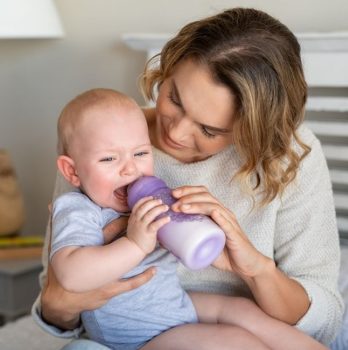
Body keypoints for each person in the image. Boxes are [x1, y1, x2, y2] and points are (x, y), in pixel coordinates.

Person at [32, 7, 344, 349]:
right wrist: (60, 302)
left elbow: (324, 319)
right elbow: (59, 297)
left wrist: (256, 270)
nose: (176, 133)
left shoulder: (287, 157)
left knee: (241, 325)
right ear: (165, 71)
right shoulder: (102, 140)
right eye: (174, 98)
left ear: (253, 132)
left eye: (209, 129)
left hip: (210, 313)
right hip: (138, 329)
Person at [48, 87, 327, 350]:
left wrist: (189, 226)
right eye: (109, 159)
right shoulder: (78, 208)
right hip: (139, 335)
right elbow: (70, 276)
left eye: (141, 153)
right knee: (231, 340)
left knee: (242, 311)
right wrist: (135, 245)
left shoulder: (144, 200)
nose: (130, 169)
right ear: (72, 172)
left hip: (175, 304)